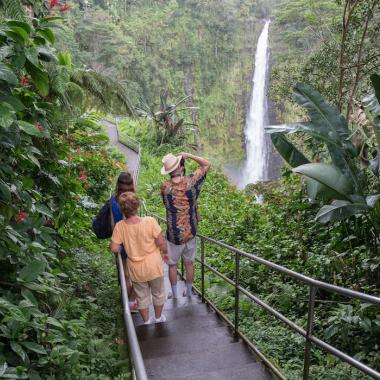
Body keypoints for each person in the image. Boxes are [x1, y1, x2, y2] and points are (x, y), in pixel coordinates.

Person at [110, 192, 169, 324]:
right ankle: (158, 318)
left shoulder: (120, 227)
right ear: (137, 206)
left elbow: (114, 248)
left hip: (136, 269)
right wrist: (165, 253)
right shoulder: (150, 221)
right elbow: (161, 243)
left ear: (122, 209)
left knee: (141, 297)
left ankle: (146, 321)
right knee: (158, 293)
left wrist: (123, 246)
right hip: (153, 266)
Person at [160, 152, 210, 298]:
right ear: (181, 168)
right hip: (190, 232)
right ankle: (188, 292)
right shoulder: (191, 182)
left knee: (172, 265)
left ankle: (174, 294)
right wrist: (187, 155)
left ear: (169, 171)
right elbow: (206, 164)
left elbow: (167, 205)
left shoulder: (164, 187)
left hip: (173, 235)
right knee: (189, 264)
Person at [110, 172, 138, 311]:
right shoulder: (133, 199)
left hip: (120, 241)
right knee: (137, 273)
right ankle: (132, 301)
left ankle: (127, 305)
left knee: (125, 275)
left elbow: (112, 224)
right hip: (133, 240)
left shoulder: (114, 200)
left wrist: (114, 240)